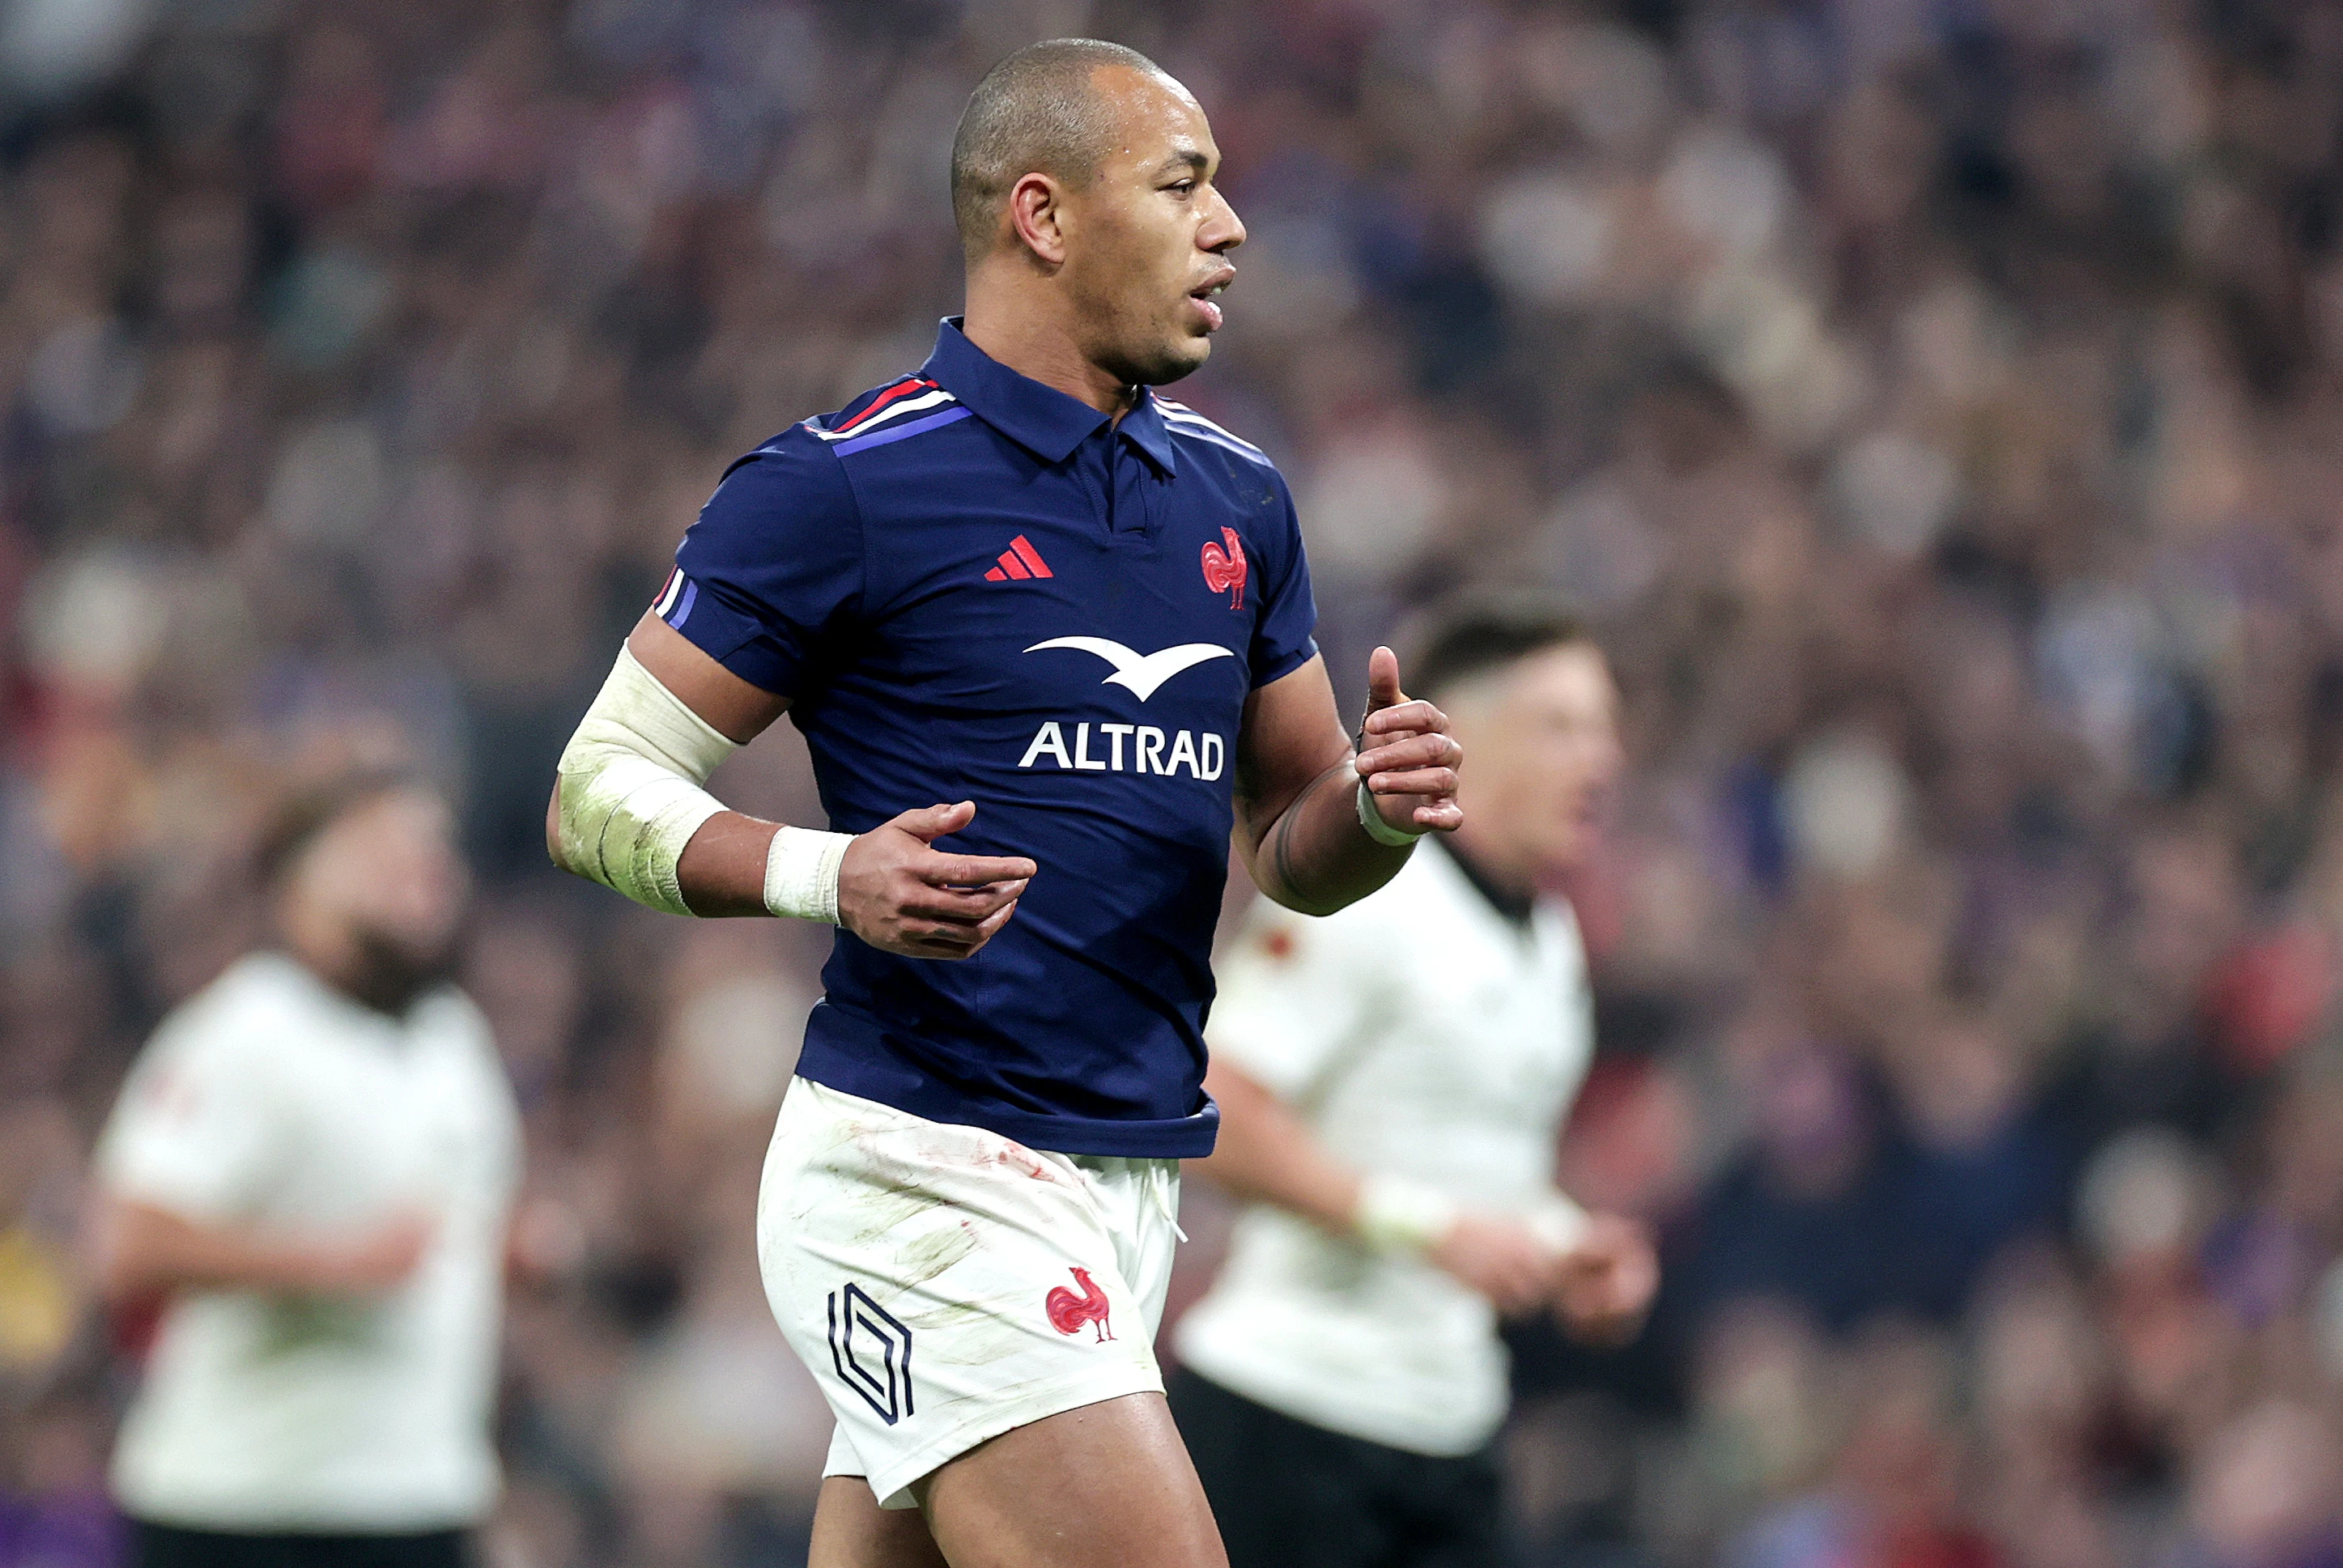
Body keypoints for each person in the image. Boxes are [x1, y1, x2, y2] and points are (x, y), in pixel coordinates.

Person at [545, 36, 1467, 1568]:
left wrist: (1370, 809)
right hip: (926, 1169)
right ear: (1041, 215)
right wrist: (828, 874)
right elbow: (594, 789)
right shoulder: (844, 482)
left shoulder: (1238, 499)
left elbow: (1292, 845)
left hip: (1127, 1174)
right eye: (1182, 185)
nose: (1230, 227)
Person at [1169, 595, 1661, 1568]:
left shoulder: (1549, 936)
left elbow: (1474, 1168)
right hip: (1288, 1414)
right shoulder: (1366, 898)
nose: (1600, 760)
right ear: (1462, 736)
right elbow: (1212, 1105)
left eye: (1603, 728)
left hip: (1452, 1431)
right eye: (1560, 727)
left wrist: (1563, 1242)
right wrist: (1424, 1228)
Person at [90, 773, 520, 1568]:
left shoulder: (452, 1035)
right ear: (297, 879)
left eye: (432, 853)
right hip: (248, 1506)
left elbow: (449, 1234)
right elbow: (129, 1247)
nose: (421, 874)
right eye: (382, 853)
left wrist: (515, 1251)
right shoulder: (243, 1031)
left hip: (421, 1494)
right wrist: (333, 1262)